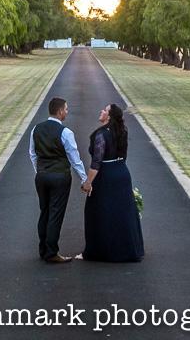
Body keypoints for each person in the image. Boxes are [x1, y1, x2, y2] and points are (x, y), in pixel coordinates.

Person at [80, 103, 144, 262]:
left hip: (106, 176)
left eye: (105, 110)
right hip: (122, 172)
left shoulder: (101, 135)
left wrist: (88, 182)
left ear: (109, 116)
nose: (101, 111)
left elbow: (96, 162)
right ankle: (127, 249)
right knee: (122, 213)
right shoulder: (122, 131)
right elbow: (124, 155)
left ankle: (100, 251)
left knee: (99, 212)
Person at [27, 96, 87, 263]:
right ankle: (52, 252)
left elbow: (32, 153)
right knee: (55, 213)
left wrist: (39, 171)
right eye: (66, 109)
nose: (67, 112)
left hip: (42, 176)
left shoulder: (36, 129)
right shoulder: (66, 133)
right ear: (60, 111)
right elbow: (75, 159)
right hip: (60, 177)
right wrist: (84, 179)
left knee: (44, 211)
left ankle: (43, 249)